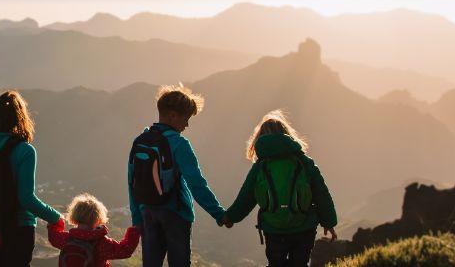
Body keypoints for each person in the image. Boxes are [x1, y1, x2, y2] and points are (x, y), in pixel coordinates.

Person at [221, 110, 337, 267]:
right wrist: (329, 222)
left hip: (274, 229)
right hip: (304, 227)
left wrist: (230, 217)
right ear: (287, 134)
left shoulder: (260, 166)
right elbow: (321, 193)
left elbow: (246, 197)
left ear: (259, 138)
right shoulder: (304, 162)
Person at [127, 85, 227, 267]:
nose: (187, 125)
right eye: (186, 119)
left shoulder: (140, 141)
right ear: (173, 115)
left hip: (147, 213)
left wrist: (137, 218)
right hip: (176, 214)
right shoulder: (179, 144)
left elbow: (131, 181)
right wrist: (219, 214)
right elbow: (197, 184)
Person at [0, 91, 62, 266]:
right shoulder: (25, 151)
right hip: (17, 229)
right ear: (21, 118)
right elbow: (26, 198)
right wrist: (55, 217)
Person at [47, 193, 141, 266]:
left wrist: (58, 222)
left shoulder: (66, 239)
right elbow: (125, 251)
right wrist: (135, 231)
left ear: (74, 216)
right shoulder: (101, 244)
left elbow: (53, 236)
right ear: (98, 218)